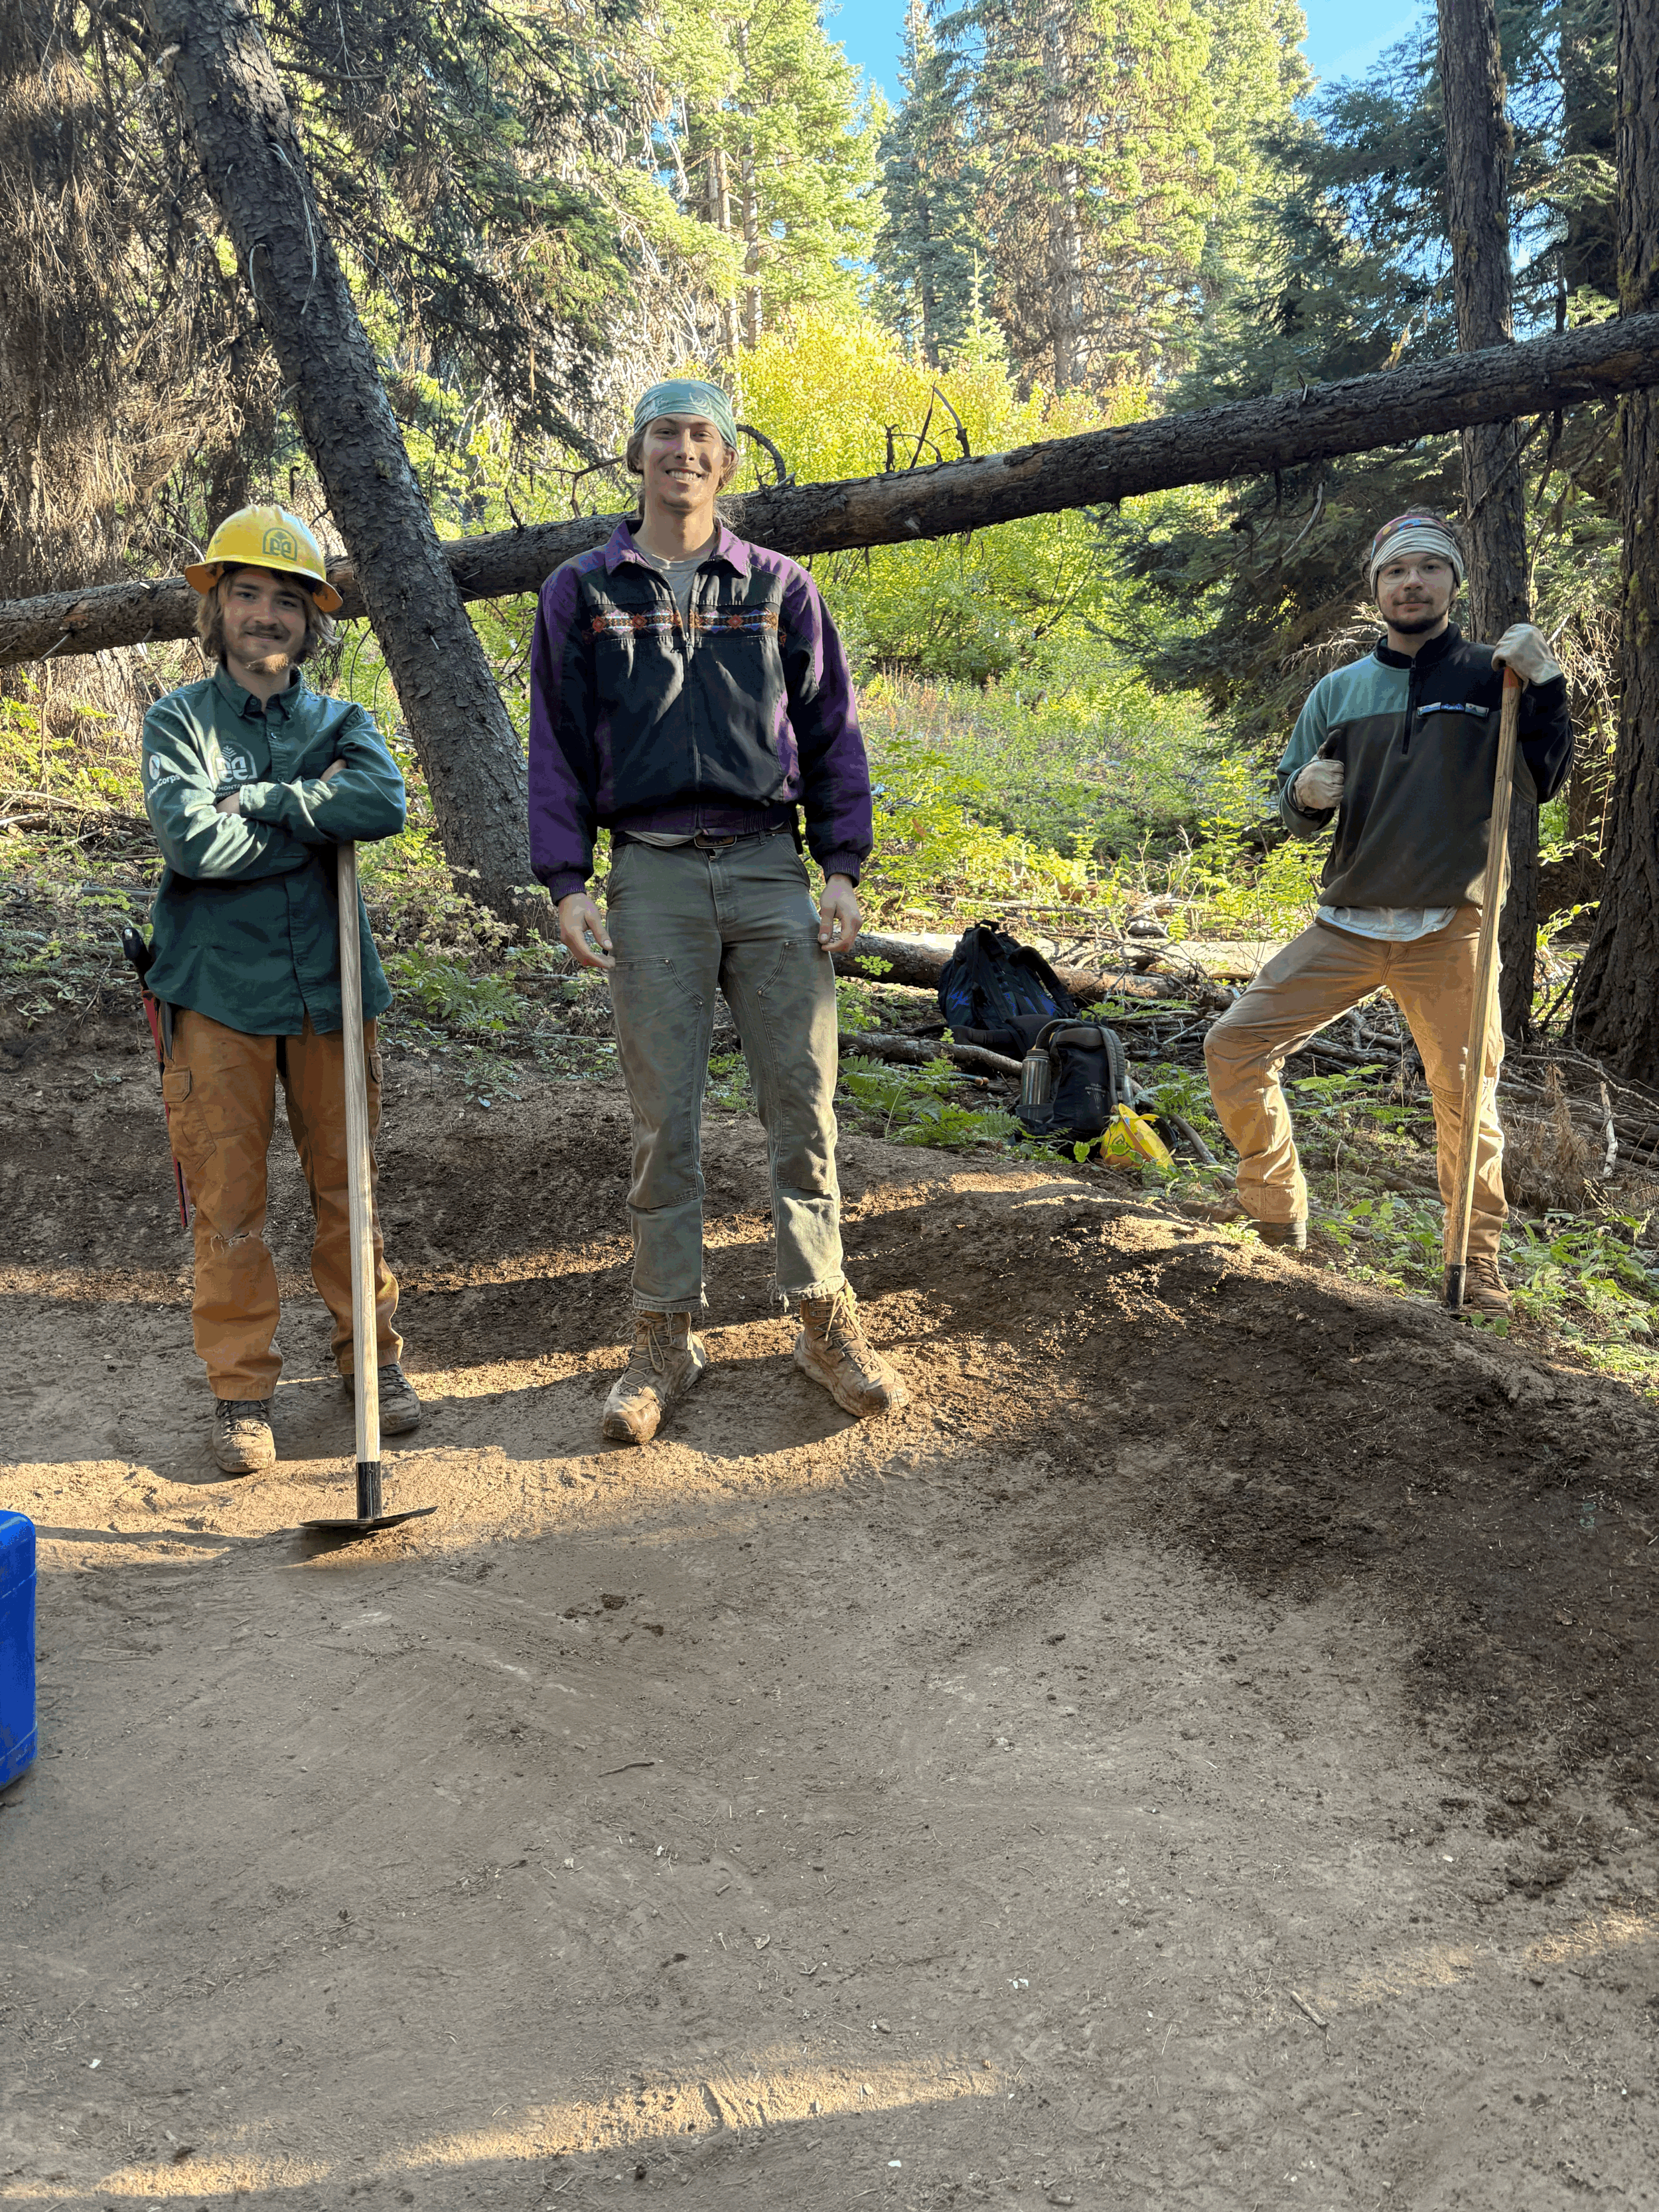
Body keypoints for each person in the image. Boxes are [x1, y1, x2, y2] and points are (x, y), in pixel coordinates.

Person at [528, 377, 908, 1443]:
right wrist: (565, 880)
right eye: (664, 434)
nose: (682, 451)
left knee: (804, 1100)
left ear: (726, 461)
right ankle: (665, 1335)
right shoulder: (584, 590)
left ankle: (822, 1317)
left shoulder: (779, 586)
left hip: (767, 867)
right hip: (646, 872)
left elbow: (832, 731)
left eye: (701, 436)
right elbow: (554, 744)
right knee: (666, 1120)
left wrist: (840, 864)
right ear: (637, 456)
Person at [1202, 510, 1574, 1315]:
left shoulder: (1493, 677)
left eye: (1428, 569)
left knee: (1465, 1102)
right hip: (1349, 924)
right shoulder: (1339, 690)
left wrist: (1545, 687)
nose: (1412, 583)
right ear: (1376, 588)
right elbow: (1291, 796)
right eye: (1395, 571)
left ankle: (1473, 1267)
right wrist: (1302, 793)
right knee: (1234, 1045)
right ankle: (1274, 1214)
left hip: (1452, 929)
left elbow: (1544, 779)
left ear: (1451, 583)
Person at [141, 504, 421, 1474]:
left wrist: (260, 798)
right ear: (215, 611)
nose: (265, 615)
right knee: (228, 1202)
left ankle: (370, 1365)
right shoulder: (178, 720)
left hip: (336, 991)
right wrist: (314, 817)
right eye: (246, 595)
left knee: (351, 1191)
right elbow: (193, 843)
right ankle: (242, 1395)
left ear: (311, 624)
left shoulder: (345, 722)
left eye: (286, 601)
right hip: (216, 996)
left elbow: (380, 802)